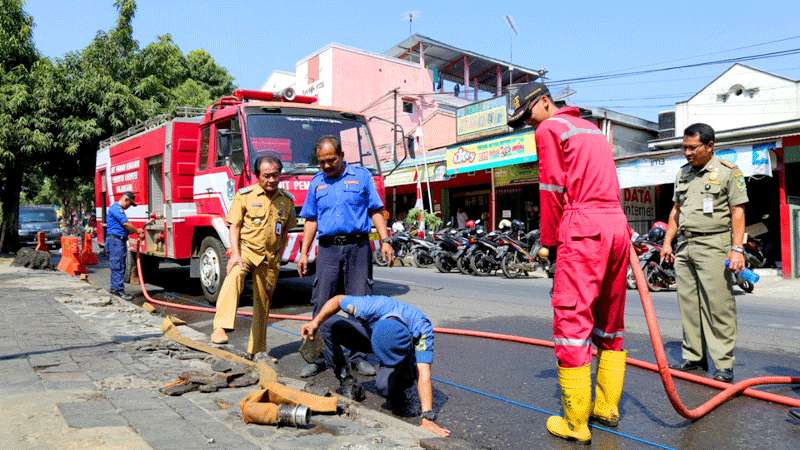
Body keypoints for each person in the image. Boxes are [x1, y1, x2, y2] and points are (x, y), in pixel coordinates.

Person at [507, 81, 630, 444]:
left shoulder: (550, 129)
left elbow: (551, 190)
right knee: (610, 321)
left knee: (571, 322)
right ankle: (606, 407)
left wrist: (549, 242)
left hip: (583, 225)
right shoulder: (591, 130)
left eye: (527, 115)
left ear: (544, 102)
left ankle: (576, 423)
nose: (529, 124)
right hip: (616, 226)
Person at [296, 135, 395, 378]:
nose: (326, 166)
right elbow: (311, 219)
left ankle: (357, 357)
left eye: (331, 160)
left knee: (359, 303)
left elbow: (376, 210)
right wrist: (304, 253)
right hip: (328, 250)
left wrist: (385, 241)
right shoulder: (316, 183)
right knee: (321, 302)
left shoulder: (361, 177)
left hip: (357, 249)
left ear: (341, 156)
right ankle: (318, 355)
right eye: (321, 162)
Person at [660, 123, 748, 383]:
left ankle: (723, 363)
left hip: (714, 244)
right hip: (685, 245)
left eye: (692, 148)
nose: (687, 153)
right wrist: (667, 242)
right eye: (684, 148)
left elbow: (738, 212)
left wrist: (737, 249)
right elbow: (676, 211)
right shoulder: (683, 174)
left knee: (718, 305)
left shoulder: (728, 173)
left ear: (710, 146)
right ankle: (694, 356)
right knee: (689, 304)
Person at [300, 294, 450, 437]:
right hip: (373, 335)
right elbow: (338, 300)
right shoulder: (371, 306)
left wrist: (428, 418)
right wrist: (315, 322)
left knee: (385, 387)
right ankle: (347, 381)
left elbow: (424, 375)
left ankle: (403, 377)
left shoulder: (422, 329)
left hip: (403, 353)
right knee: (328, 324)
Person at [210, 154, 296, 360]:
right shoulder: (245, 195)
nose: (271, 180)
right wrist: (235, 254)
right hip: (247, 252)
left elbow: (285, 232)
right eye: (266, 176)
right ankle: (220, 327)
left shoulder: (286, 200)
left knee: (263, 303)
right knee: (235, 276)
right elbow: (235, 226)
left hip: (270, 258)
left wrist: (279, 256)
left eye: (275, 175)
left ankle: (257, 350)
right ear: (257, 176)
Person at [105, 191, 144, 301]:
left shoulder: (116, 209)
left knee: (117, 265)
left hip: (116, 241)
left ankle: (115, 289)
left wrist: (136, 231)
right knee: (118, 266)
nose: (129, 206)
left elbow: (124, 227)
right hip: (116, 241)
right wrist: (137, 231)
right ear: (125, 199)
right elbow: (125, 224)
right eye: (130, 204)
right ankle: (119, 290)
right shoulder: (116, 209)